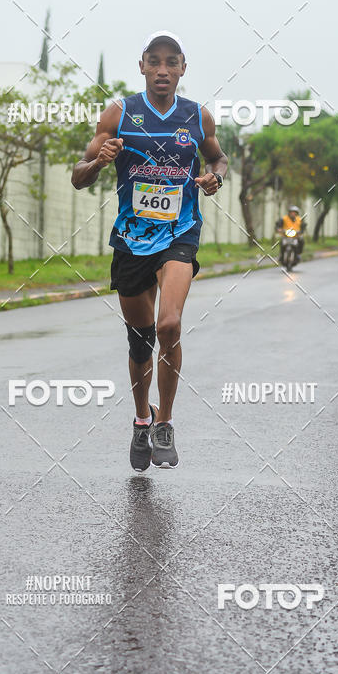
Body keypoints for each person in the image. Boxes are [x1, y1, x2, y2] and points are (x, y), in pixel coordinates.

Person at [71, 31, 228, 470]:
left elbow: (219, 159)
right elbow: (77, 176)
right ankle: (142, 420)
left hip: (181, 231)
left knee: (170, 325)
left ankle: (165, 423)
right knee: (139, 342)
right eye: (154, 62)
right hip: (131, 238)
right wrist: (100, 161)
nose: (163, 70)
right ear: (142, 66)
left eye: (171, 62)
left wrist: (216, 177)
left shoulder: (198, 117)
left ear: (182, 68)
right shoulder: (119, 113)